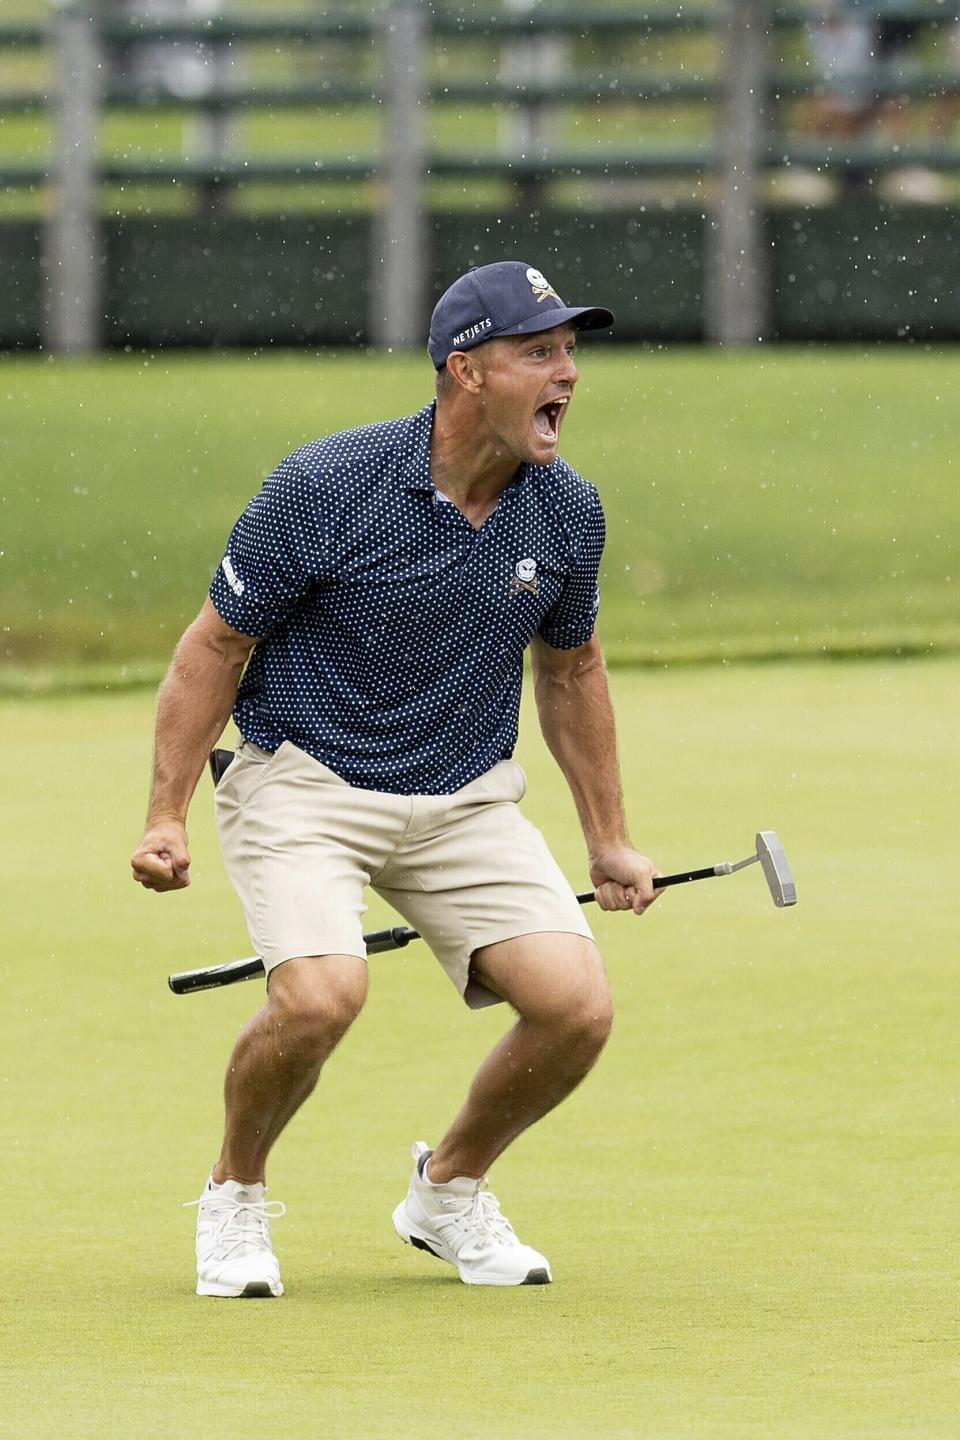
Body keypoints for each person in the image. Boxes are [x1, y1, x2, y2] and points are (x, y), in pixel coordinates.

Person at [130, 260, 661, 1296]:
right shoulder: (327, 487)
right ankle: (234, 1196)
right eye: (539, 353)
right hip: (304, 781)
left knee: (576, 1007)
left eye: (570, 353)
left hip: (464, 794)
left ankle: (447, 1190)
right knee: (323, 995)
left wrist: (608, 838)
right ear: (465, 371)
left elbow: (571, 668)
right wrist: (166, 814)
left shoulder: (566, 512)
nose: (569, 374)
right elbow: (215, 648)